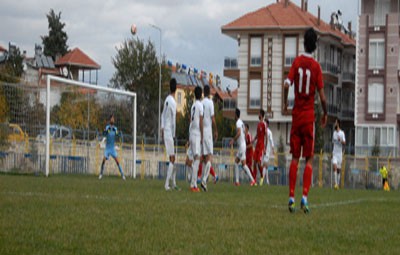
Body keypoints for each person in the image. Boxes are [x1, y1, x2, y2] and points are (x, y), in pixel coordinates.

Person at [284, 27, 327, 213]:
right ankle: (304, 197)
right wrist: (325, 113)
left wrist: (285, 103)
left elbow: (287, 83)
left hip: (296, 115)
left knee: (295, 157)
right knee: (309, 159)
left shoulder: (296, 62)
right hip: (309, 116)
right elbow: (323, 97)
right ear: (315, 45)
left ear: (303, 43)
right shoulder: (316, 67)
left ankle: (291, 197)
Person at [229, 108, 256, 186]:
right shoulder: (242, 122)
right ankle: (239, 181)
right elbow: (243, 133)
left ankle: (250, 180)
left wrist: (233, 140)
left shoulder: (238, 122)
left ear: (236, 115)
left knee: (241, 164)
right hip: (242, 145)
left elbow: (239, 133)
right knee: (238, 163)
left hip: (242, 146)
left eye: (234, 114)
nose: (233, 116)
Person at [161, 78, 179, 191]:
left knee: (173, 158)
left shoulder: (166, 100)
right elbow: (173, 120)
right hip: (169, 132)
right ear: (176, 88)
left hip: (165, 130)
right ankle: (167, 184)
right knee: (172, 158)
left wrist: (162, 128)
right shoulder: (173, 102)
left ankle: (173, 183)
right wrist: (174, 133)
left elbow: (162, 115)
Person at [200, 85, 218, 191]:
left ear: (203, 92)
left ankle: (202, 181)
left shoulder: (201, 103)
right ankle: (204, 180)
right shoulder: (210, 103)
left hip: (202, 132)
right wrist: (216, 130)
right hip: (208, 131)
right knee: (210, 157)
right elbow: (213, 118)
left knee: (205, 158)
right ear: (209, 92)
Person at [98, 114, 126, 180]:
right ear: (110, 120)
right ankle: (101, 174)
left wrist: (118, 134)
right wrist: (108, 130)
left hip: (112, 148)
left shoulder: (115, 128)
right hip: (107, 148)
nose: (113, 120)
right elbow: (104, 133)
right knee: (104, 160)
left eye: (113, 119)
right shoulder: (107, 127)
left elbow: (117, 134)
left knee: (117, 161)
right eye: (112, 119)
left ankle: (122, 174)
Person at [189, 86, 203, 192]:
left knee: (194, 159)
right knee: (197, 159)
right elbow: (201, 121)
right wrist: (202, 135)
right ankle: (193, 184)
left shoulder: (193, 105)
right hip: (197, 134)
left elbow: (191, 120)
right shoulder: (200, 105)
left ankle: (192, 180)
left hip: (191, 133)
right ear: (201, 94)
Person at [252, 109, 267, 184]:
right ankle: (254, 180)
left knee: (258, 163)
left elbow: (266, 136)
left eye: (259, 114)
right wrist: (254, 139)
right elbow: (257, 135)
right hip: (257, 145)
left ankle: (261, 176)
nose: (258, 115)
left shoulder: (264, 124)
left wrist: (265, 148)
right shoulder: (258, 124)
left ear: (261, 115)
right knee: (254, 162)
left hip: (261, 146)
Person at [332, 118, 346, 190]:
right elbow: (333, 142)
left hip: (339, 154)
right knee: (334, 167)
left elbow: (344, 142)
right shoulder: (334, 133)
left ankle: (338, 183)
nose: (335, 123)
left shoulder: (342, 133)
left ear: (338, 124)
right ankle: (335, 184)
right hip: (334, 153)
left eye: (336, 122)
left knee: (338, 169)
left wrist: (340, 141)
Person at [260, 118, 274, 186]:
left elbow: (271, 141)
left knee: (265, 165)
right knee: (265, 166)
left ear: (267, 124)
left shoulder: (269, 132)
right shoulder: (263, 131)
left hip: (267, 150)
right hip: (262, 149)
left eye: (265, 123)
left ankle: (262, 181)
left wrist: (273, 148)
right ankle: (267, 180)